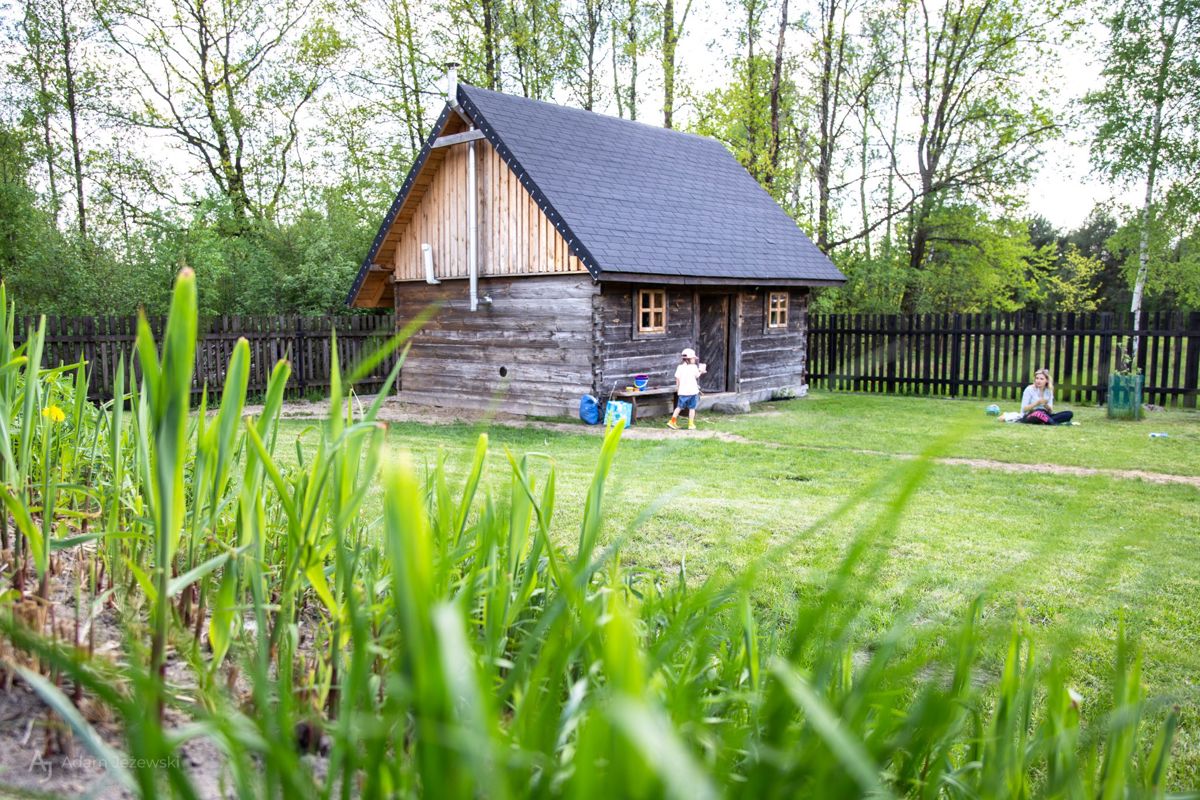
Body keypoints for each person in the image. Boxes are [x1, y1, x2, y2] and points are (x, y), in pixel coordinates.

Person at [667, 347, 706, 430]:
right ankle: (691, 424)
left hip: (683, 392)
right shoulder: (694, 367)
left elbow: (677, 378)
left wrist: (678, 389)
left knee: (679, 407)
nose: (695, 360)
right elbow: (697, 376)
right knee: (692, 408)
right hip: (692, 391)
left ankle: (672, 421)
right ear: (689, 359)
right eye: (693, 358)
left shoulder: (679, 367)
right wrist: (701, 371)